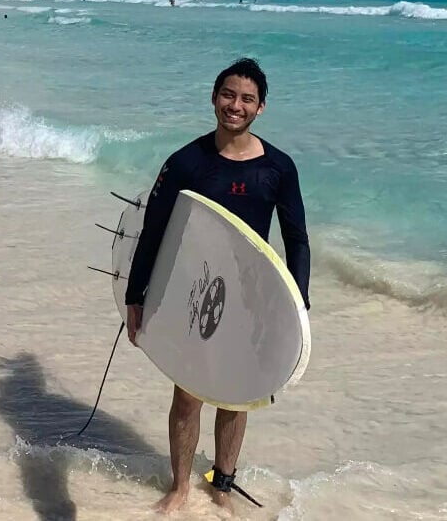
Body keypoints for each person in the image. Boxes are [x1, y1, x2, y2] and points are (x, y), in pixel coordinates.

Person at [125, 57, 311, 514]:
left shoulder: (279, 168)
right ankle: (181, 487)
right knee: (188, 394)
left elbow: (297, 240)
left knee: (239, 393)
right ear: (214, 97)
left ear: (261, 107)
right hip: (195, 293)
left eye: (247, 98)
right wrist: (136, 296)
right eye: (228, 95)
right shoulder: (187, 162)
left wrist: (298, 303)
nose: (236, 105)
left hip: (251, 300)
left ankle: (222, 486)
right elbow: (153, 230)